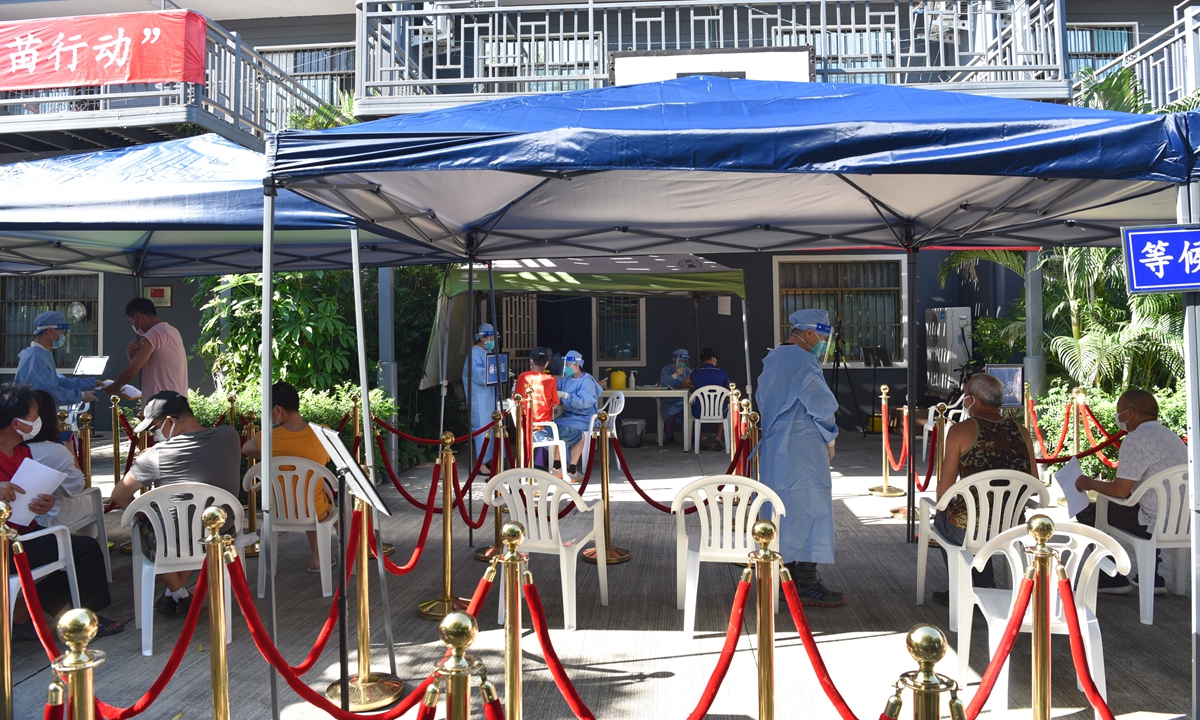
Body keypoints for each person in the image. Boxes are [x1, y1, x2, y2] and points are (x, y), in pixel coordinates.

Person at [0, 384, 123, 640]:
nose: (39, 421)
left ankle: (24, 611)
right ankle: (80, 617)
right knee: (83, 549)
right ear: (16, 423)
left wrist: (41, 504)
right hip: (8, 543)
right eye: (34, 416)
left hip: (26, 532)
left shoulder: (24, 451)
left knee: (79, 549)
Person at [110, 391, 241, 617]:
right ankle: (175, 595)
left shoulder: (155, 456)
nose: (154, 435)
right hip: (221, 532)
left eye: (154, 429)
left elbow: (119, 495)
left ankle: (180, 594)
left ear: (169, 421)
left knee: (157, 524)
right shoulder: (230, 436)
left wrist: (143, 513)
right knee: (187, 521)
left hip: (174, 539)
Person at [757, 309, 842, 607]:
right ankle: (805, 584)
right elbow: (821, 404)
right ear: (808, 333)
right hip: (802, 448)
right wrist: (830, 436)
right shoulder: (804, 361)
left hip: (775, 447)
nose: (823, 342)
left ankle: (783, 575)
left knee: (781, 510)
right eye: (822, 336)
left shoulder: (775, 358)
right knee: (808, 510)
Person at [930, 372, 1038, 606]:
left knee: (942, 516)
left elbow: (943, 492)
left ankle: (965, 589)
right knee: (978, 520)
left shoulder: (961, 431)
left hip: (968, 528)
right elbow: (1034, 484)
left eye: (965, 395)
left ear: (973, 399)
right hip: (1012, 525)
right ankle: (984, 586)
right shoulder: (1022, 431)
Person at [1074, 388, 1187, 594]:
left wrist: (1089, 483)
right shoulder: (1172, 436)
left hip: (1153, 522)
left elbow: (1120, 491)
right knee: (1150, 503)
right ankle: (1151, 577)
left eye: (1119, 411)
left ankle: (1112, 577)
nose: (1118, 417)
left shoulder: (1135, 440)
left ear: (1131, 413)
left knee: (1088, 511)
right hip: (1186, 520)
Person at [242, 381, 333, 573]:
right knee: (334, 509)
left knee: (301, 495)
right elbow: (330, 459)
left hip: (278, 512)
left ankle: (313, 560)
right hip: (314, 510)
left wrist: (271, 454)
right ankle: (324, 560)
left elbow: (246, 449)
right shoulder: (321, 433)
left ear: (277, 410)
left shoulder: (269, 438)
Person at [26, 390, 93, 533]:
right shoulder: (56, 451)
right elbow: (77, 487)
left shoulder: (17, 448)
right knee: (91, 500)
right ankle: (87, 545)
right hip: (48, 515)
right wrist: (72, 456)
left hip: (25, 514)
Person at [102, 298, 188, 405]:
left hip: (161, 405)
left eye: (131, 322)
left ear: (138, 317)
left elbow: (132, 370)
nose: (133, 326)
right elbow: (149, 364)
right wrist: (133, 355)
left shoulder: (153, 334)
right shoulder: (173, 331)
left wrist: (115, 386)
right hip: (178, 402)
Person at [14, 311, 100, 408]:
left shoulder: (42, 354)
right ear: (50, 330)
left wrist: (91, 383)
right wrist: (81, 395)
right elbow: (49, 391)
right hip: (35, 414)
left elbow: (60, 382)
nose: (63, 337)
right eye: (62, 332)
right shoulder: (35, 358)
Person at [556, 350, 602, 478]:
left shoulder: (587, 381)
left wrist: (567, 396)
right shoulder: (567, 379)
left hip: (584, 417)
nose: (565, 368)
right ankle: (558, 466)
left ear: (576, 365)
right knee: (552, 427)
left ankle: (569, 468)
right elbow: (555, 386)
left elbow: (584, 402)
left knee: (565, 431)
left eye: (568, 365)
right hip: (568, 415)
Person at [513, 347, 560, 470]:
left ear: (531, 361)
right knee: (571, 433)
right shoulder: (550, 379)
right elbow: (555, 403)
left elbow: (515, 399)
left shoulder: (523, 377)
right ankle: (554, 467)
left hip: (524, 425)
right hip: (543, 427)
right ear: (546, 363)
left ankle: (533, 462)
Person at [462, 323, 497, 468]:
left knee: (490, 428)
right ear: (482, 338)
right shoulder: (474, 353)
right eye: (490, 337)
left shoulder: (487, 352)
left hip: (488, 397)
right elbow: (479, 376)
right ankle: (480, 462)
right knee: (481, 428)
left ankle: (488, 458)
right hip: (479, 397)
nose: (492, 340)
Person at [688, 347, 731, 451]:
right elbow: (728, 394)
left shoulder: (694, 372)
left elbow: (683, 384)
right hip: (719, 411)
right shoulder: (722, 372)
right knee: (722, 406)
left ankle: (702, 437)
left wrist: (694, 386)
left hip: (699, 411)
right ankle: (719, 437)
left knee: (691, 415)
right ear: (713, 359)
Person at [658, 348, 692, 445]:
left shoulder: (688, 370)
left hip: (683, 399)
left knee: (691, 411)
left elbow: (691, 382)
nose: (683, 363)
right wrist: (676, 374)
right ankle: (669, 435)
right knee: (670, 412)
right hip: (669, 399)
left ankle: (691, 436)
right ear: (675, 360)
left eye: (685, 361)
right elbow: (663, 382)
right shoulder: (666, 369)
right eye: (681, 361)